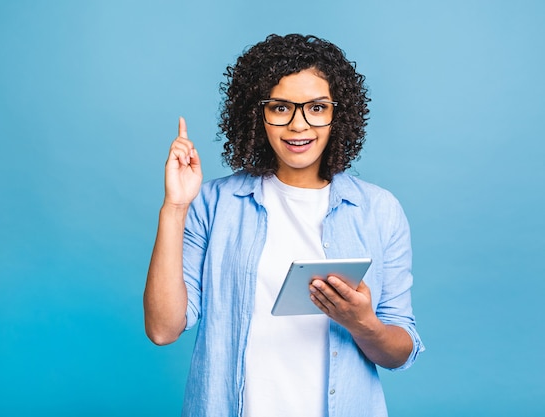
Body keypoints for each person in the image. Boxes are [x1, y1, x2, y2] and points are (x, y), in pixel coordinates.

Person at [144, 33, 424, 417]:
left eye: (317, 107)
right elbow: (163, 329)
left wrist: (363, 324)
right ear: (257, 114)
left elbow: (399, 351)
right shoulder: (214, 203)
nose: (298, 125)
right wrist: (175, 207)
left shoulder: (378, 210)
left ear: (337, 114)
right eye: (280, 108)